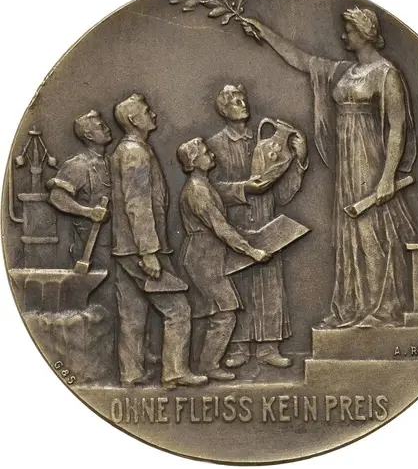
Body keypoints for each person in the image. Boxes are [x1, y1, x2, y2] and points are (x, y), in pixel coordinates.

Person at [240, 7, 418, 328]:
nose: (343, 36)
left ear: (364, 33)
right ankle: (352, 306)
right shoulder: (343, 71)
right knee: (351, 231)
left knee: (371, 229)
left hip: (370, 160)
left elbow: (397, 128)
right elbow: (302, 61)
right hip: (347, 163)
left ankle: (383, 308)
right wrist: (265, 33)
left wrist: (387, 177)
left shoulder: (386, 74)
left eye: (349, 31)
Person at [206, 84, 308, 368]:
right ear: (223, 110)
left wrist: (299, 161)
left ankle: (268, 348)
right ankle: (238, 347)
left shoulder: (266, 143)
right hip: (234, 224)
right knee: (238, 285)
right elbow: (209, 189)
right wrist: (243, 189)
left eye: (243, 99)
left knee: (269, 284)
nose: (242, 104)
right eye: (235, 102)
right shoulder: (214, 145)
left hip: (267, 221)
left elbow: (283, 195)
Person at [110, 93, 207, 388]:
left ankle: (131, 373)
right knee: (178, 309)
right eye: (146, 111)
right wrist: (149, 251)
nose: (153, 114)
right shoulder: (135, 153)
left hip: (125, 248)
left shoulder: (129, 150)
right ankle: (175, 371)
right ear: (132, 119)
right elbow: (137, 204)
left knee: (132, 313)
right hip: (140, 249)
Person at [177, 137, 272, 380]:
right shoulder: (198, 190)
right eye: (206, 153)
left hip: (207, 254)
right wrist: (251, 251)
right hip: (202, 256)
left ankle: (201, 364)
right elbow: (220, 227)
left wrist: (246, 187)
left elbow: (224, 195)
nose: (212, 155)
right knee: (225, 311)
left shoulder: (204, 185)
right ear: (194, 162)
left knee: (211, 311)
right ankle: (208, 365)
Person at [47, 109, 111, 268]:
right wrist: (89, 212)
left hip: (113, 242)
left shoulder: (110, 161)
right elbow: (57, 197)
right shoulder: (78, 165)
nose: (107, 129)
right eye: (101, 127)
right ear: (89, 136)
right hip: (91, 247)